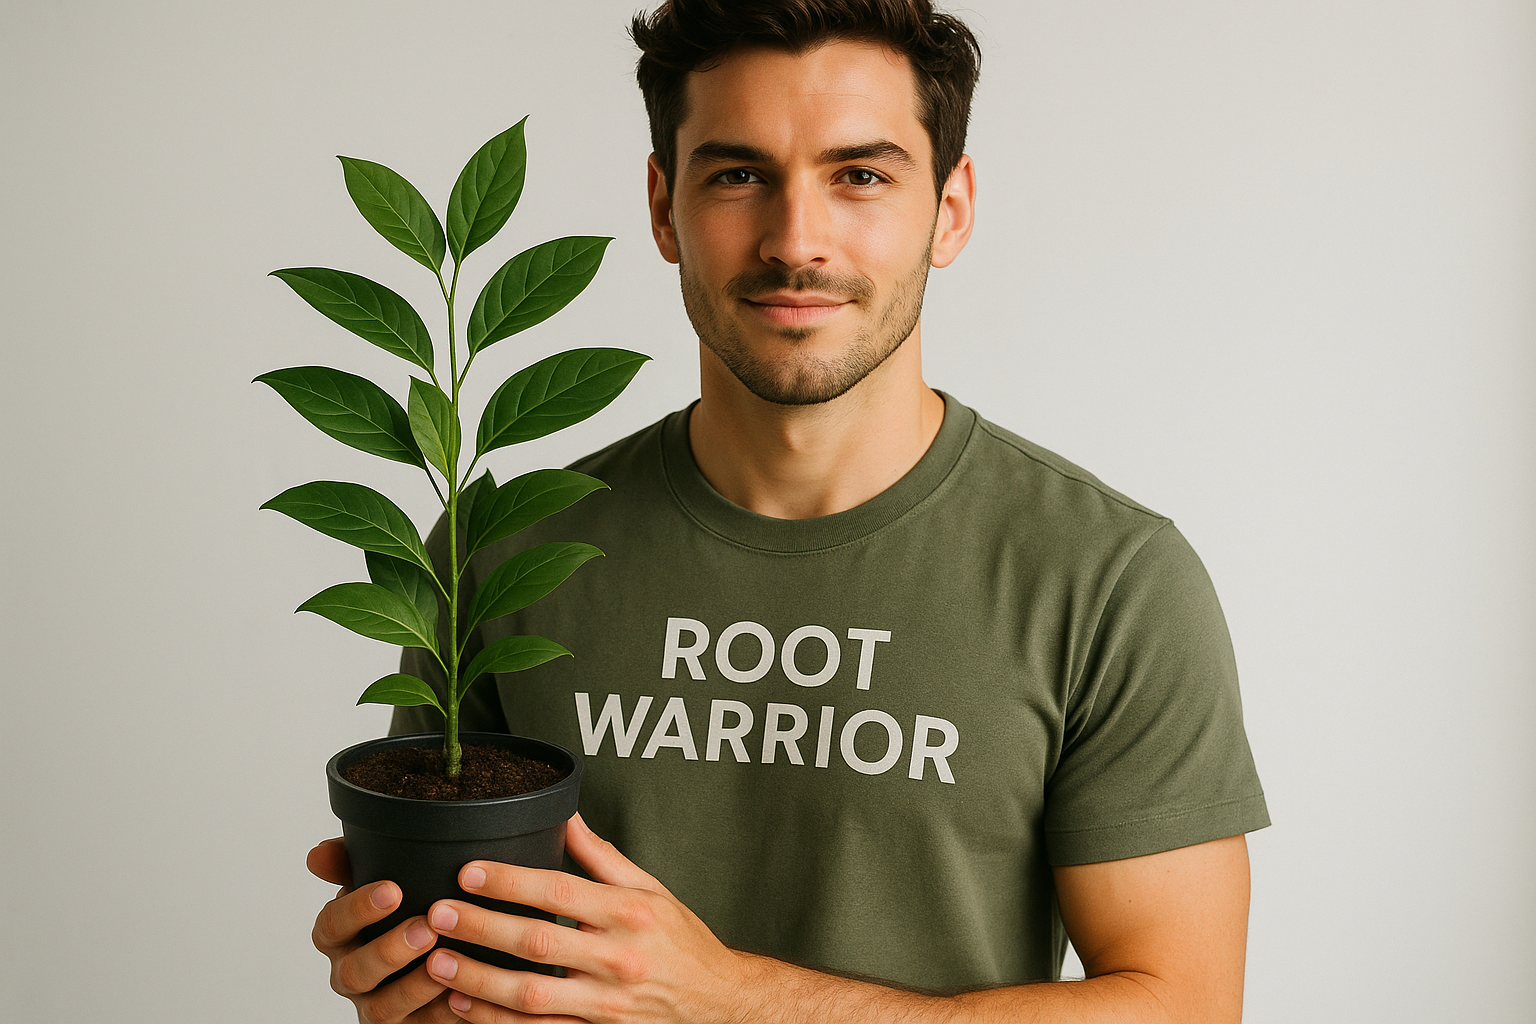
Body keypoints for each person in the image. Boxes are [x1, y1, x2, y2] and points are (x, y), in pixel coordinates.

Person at [307, 1, 1270, 1021]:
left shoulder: (1108, 578)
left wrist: (729, 999)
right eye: (737, 175)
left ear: (950, 208)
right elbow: (454, 951)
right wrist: (418, 984)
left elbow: (1186, 1005)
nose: (795, 240)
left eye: (860, 174)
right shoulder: (497, 552)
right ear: (663, 206)